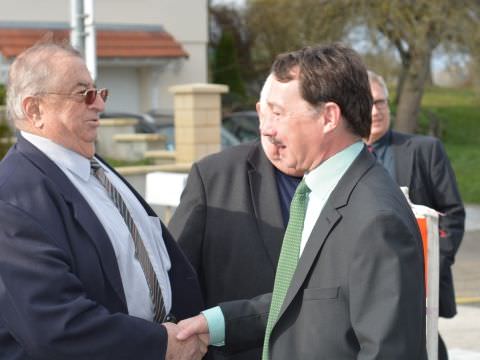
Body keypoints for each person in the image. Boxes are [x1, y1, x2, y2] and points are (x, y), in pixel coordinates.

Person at [175, 43, 428, 359]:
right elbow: (305, 301)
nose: (266, 129)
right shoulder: (320, 193)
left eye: (278, 113)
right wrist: (217, 323)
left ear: (328, 117)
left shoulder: (377, 219)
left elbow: (389, 352)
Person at [0, 40, 206, 360]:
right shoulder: (12, 198)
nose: (99, 104)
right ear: (34, 109)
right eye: (83, 93)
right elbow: (56, 326)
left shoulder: (94, 167)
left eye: (99, 92)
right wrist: (161, 344)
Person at [168, 73, 303, 360]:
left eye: (283, 115)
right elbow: (176, 278)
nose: (270, 129)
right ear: (258, 111)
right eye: (268, 113)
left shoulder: (346, 184)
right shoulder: (213, 177)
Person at [366, 70, 465, 360]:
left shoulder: (425, 150)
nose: (375, 111)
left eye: (381, 102)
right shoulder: (342, 157)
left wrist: (431, 265)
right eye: (368, 103)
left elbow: (453, 214)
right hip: (369, 285)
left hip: (419, 287)